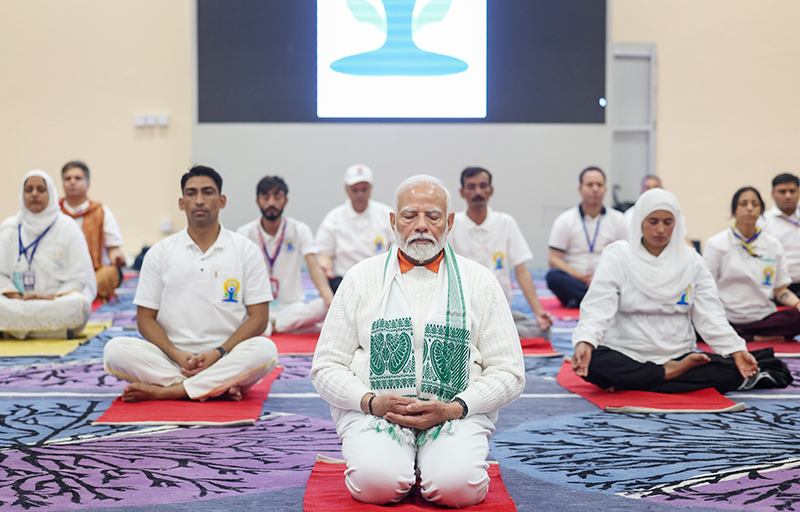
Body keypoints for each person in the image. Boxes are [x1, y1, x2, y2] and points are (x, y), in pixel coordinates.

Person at [310, 175, 525, 508]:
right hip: (376, 412)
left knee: (457, 490)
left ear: (450, 222)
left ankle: (432, 460)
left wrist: (456, 407)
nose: (421, 226)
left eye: (433, 216)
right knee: (376, 486)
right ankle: (403, 459)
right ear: (393, 221)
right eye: (410, 216)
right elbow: (325, 366)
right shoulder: (360, 277)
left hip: (456, 412)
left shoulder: (479, 281)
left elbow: (510, 372)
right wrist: (370, 402)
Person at [571, 188, 792, 393]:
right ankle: (666, 374)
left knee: (729, 370)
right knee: (594, 364)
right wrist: (586, 342)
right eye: (653, 221)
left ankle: (636, 380)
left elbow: (710, 315)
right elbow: (599, 306)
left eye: (668, 222)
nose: (660, 229)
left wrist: (735, 350)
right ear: (639, 221)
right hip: (626, 350)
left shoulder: (691, 261)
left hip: (678, 352)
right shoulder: (618, 256)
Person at [103, 165, 277, 402]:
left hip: (227, 354)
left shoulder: (246, 250)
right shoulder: (160, 252)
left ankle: (171, 390)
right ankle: (217, 386)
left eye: (208, 192)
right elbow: (145, 318)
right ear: (181, 203)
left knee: (266, 351)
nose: (199, 200)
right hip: (172, 359)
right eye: (191, 193)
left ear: (222, 200)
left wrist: (219, 353)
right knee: (114, 351)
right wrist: (176, 354)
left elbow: (259, 318)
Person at [448, 166, 552, 338]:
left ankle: (490, 335)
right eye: (471, 187)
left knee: (544, 330)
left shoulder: (505, 223)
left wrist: (539, 312)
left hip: (498, 308)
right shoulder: (452, 224)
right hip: (462, 310)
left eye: (483, 186)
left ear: (491, 190)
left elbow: (522, 271)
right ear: (462, 192)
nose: (478, 192)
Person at [0, 170, 96, 339]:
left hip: (56, 300)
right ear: (22, 195)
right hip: (18, 301)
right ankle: (52, 331)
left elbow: (81, 275)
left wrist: (53, 297)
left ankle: (15, 331)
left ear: (50, 193)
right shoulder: (10, 228)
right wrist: (17, 296)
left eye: (40, 189)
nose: (34, 194)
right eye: (29, 190)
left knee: (78, 304)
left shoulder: (67, 227)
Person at [237, 176, 333, 334]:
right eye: (266, 197)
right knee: (237, 314)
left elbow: (314, 267)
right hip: (258, 305)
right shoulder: (245, 233)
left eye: (277, 197)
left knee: (321, 307)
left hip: (292, 306)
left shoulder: (299, 230)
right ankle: (286, 326)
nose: (271, 203)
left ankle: (271, 326)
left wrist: (330, 299)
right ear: (257, 201)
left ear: (285, 200)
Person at [704, 187, 800, 341]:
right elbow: (705, 286)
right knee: (696, 323)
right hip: (726, 316)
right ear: (734, 210)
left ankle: (741, 335)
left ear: (761, 210)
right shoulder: (716, 244)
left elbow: (780, 290)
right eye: (744, 203)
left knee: (795, 317)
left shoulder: (773, 245)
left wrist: (798, 304)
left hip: (762, 317)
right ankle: (755, 338)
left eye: (754, 204)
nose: (749, 208)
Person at [546, 166, 628, 308]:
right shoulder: (565, 220)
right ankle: (598, 300)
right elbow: (553, 258)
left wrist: (601, 277)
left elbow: (626, 255)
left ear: (605, 189)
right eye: (590, 185)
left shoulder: (618, 220)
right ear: (580, 189)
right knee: (553, 277)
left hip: (607, 278)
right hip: (576, 279)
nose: (595, 189)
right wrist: (578, 275)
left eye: (599, 185)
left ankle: (583, 300)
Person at [315, 164, 394, 293]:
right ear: (346, 189)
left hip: (381, 282)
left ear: (371, 188)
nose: (360, 194)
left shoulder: (386, 214)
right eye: (355, 190)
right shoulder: (334, 218)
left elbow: (397, 248)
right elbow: (324, 255)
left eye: (364, 189)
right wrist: (327, 269)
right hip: (345, 283)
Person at [59, 161, 125, 302]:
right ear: (62, 184)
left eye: (78, 178)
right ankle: (77, 292)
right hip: (61, 272)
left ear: (88, 183)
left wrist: (117, 259)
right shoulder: (54, 213)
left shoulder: (100, 211)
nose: (72, 182)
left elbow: (113, 249)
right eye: (67, 179)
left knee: (111, 273)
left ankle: (72, 294)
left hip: (93, 273)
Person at [762, 173, 800, 296]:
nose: (788, 196)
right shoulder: (762, 221)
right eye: (782, 191)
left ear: (798, 192)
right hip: (776, 288)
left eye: (792, 191)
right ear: (773, 194)